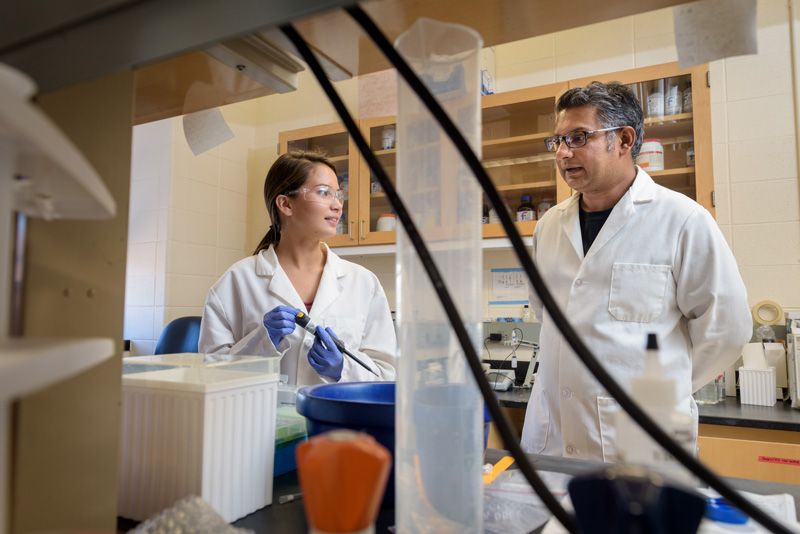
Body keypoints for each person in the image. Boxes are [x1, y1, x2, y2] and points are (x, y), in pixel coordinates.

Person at [520, 81, 751, 461]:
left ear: (625, 140)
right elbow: (547, 317)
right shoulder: (549, 226)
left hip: (643, 438)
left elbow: (726, 330)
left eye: (578, 137)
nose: (562, 153)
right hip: (554, 434)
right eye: (558, 141)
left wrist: (659, 389)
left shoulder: (682, 219)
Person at [198, 151, 397, 385]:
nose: (337, 205)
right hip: (261, 419)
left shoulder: (363, 282)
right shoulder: (237, 280)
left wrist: (343, 368)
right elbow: (210, 375)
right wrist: (262, 341)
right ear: (285, 204)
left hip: (336, 420)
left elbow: (387, 375)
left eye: (338, 195)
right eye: (324, 192)